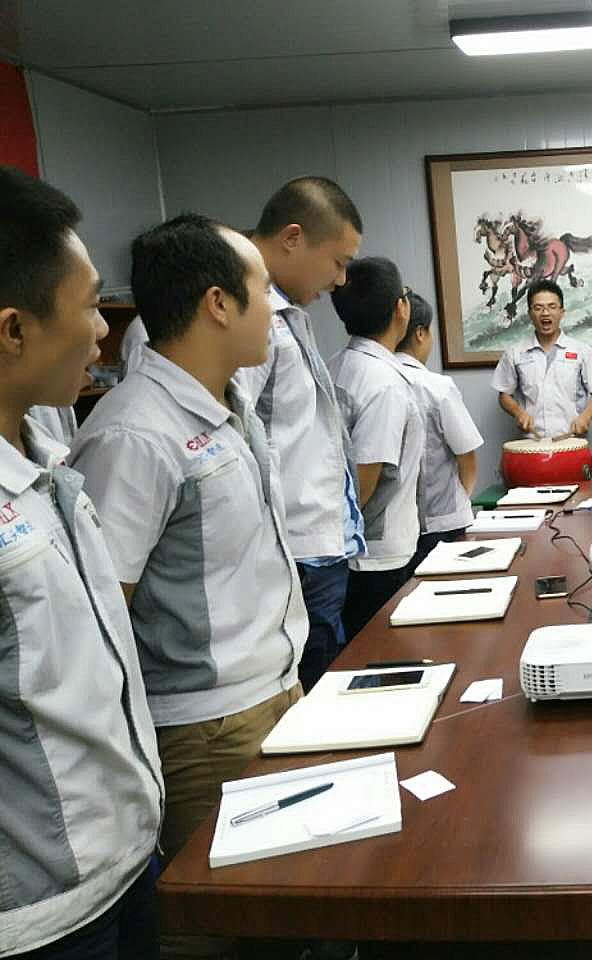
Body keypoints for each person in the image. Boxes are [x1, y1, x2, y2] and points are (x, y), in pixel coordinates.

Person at [68, 213, 307, 957]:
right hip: (204, 728)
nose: (275, 311)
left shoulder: (226, 406)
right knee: (226, 934)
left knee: (283, 922)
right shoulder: (134, 433)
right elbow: (103, 612)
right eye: (263, 292)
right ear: (219, 304)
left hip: (271, 693)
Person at [0, 166, 163, 959]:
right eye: (92, 305)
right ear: (13, 330)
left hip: (122, 861)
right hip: (42, 917)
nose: (105, 332)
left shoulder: (47, 461)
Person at [238, 176, 364, 691]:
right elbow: (236, 432)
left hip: (317, 545)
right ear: (293, 238)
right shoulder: (253, 316)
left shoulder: (288, 312)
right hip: (293, 549)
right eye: (338, 262)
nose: (340, 280)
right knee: (311, 692)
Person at [328, 258, 425, 638]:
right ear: (401, 308)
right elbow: (365, 480)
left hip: (348, 552)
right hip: (378, 557)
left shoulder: (334, 365)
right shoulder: (384, 383)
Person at [397, 293, 484, 571]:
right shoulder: (437, 386)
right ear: (421, 333)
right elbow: (467, 456)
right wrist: (460, 503)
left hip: (393, 530)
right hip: (442, 524)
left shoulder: (370, 378)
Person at [491, 278, 592, 439]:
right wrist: (518, 412)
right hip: (533, 442)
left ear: (562, 312)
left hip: (571, 439)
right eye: (538, 308)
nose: (545, 313)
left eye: (552, 307)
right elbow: (504, 394)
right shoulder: (515, 353)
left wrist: (586, 417)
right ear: (530, 314)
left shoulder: (582, 351)